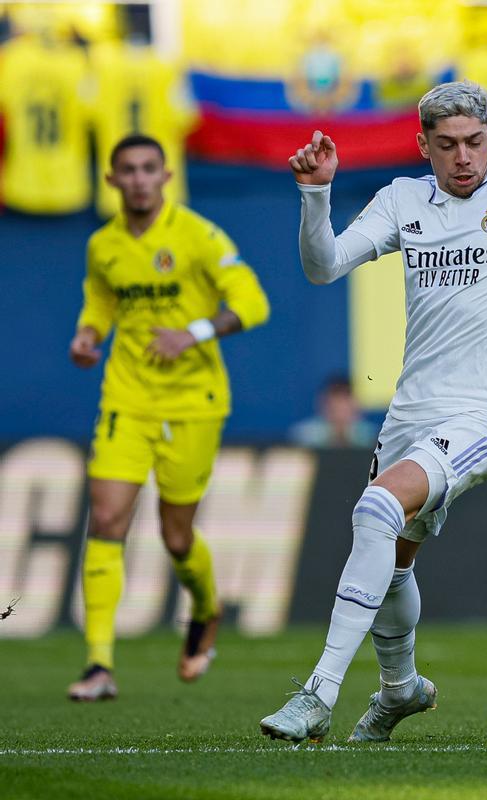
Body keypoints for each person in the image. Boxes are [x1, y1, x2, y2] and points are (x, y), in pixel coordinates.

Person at [258, 81, 487, 743]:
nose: (464, 157)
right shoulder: (403, 198)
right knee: (392, 556)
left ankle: (318, 694)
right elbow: (324, 267)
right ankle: (400, 689)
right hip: (412, 413)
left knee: (374, 508)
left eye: (475, 141)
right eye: (449, 145)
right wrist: (315, 196)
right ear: (423, 145)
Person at [67, 133, 270, 701]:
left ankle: (206, 608)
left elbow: (253, 301)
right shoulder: (103, 245)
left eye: (147, 169)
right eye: (126, 170)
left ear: (165, 176)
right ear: (110, 180)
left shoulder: (198, 236)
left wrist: (195, 333)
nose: (137, 179)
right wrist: (88, 335)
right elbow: (101, 300)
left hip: (193, 403)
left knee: (175, 536)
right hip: (126, 400)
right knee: (106, 520)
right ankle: (99, 664)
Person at [288, 374, 376, 448]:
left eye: (345, 399)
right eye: (336, 399)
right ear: (324, 403)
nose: (341, 405)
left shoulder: (370, 435)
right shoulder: (304, 435)